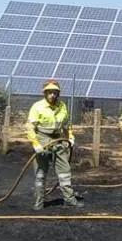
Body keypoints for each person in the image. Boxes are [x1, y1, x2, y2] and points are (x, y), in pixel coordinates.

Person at [25, 79, 81, 210]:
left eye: (55, 92)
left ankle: (69, 199)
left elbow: (66, 125)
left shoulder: (62, 106)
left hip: (58, 139)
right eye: (49, 92)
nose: (52, 95)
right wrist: (36, 143)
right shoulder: (37, 107)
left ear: (58, 94)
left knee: (64, 172)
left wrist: (70, 136)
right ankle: (39, 201)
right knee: (40, 173)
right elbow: (29, 127)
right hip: (42, 139)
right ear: (44, 93)